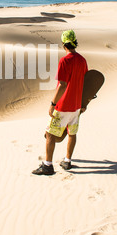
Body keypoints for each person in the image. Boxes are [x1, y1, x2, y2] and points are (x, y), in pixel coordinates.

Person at [32, 29, 88, 176]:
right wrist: (84, 103)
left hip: (63, 106)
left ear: (63, 44)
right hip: (76, 106)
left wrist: (53, 103)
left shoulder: (64, 61)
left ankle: (47, 166)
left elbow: (62, 85)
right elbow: (86, 82)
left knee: (50, 134)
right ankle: (67, 161)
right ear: (75, 42)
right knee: (72, 133)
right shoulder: (82, 60)